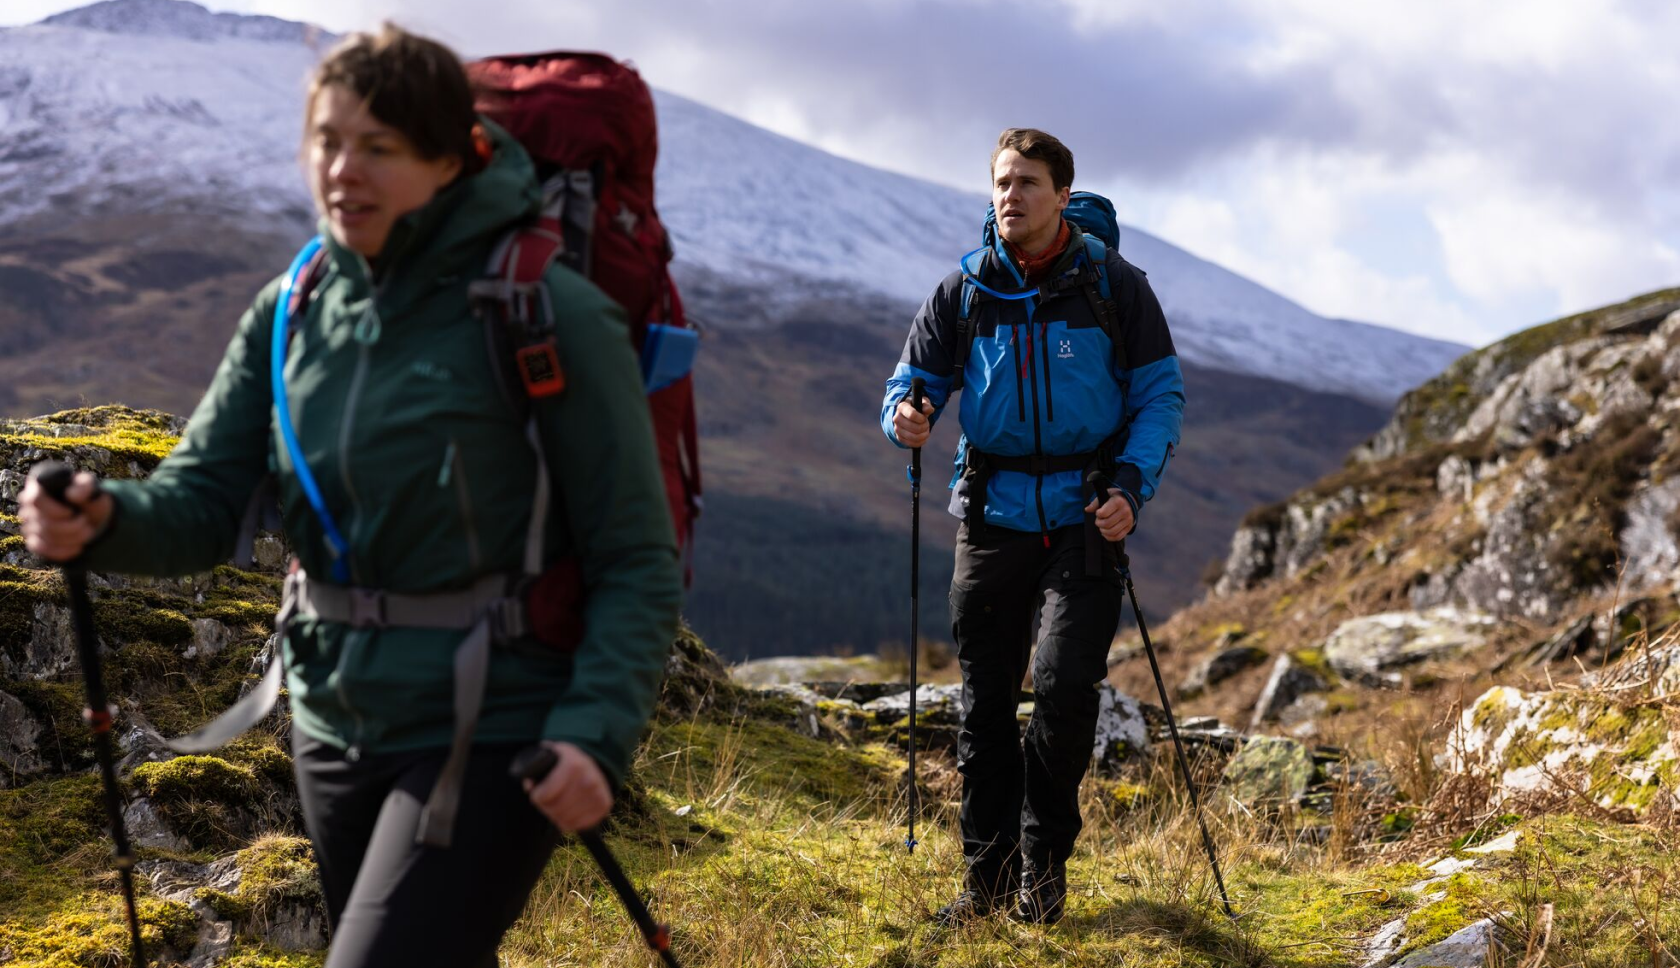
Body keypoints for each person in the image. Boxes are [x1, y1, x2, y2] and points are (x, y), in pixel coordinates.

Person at [19, 24, 681, 967]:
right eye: (328, 142)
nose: (344, 170)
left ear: (448, 159)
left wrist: (595, 734)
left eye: (380, 148)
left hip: (494, 721)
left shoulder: (542, 310)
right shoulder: (293, 306)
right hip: (331, 715)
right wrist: (105, 521)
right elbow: (204, 500)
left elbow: (635, 558)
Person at [880, 128, 1184, 926]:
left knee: (1061, 691)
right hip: (990, 520)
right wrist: (905, 416)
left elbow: (1160, 397)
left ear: (1061, 194)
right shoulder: (964, 291)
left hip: (1086, 521)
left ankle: (1041, 877)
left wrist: (1129, 484)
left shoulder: (1115, 288)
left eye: (1027, 183)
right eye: (1001, 183)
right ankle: (983, 884)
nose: (1011, 196)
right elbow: (911, 382)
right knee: (983, 707)